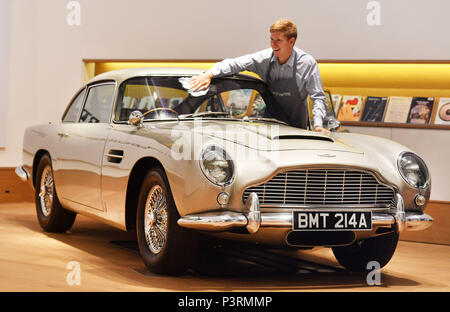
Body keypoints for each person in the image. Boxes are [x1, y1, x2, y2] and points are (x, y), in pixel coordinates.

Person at [190, 18, 328, 132]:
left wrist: (318, 125)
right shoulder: (264, 59)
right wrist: (209, 74)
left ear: (291, 41)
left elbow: (318, 97)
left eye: (278, 40)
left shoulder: (307, 64)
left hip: (298, 128)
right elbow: (235, 64)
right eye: (271, 39)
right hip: (270, 126)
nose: (273, 44)